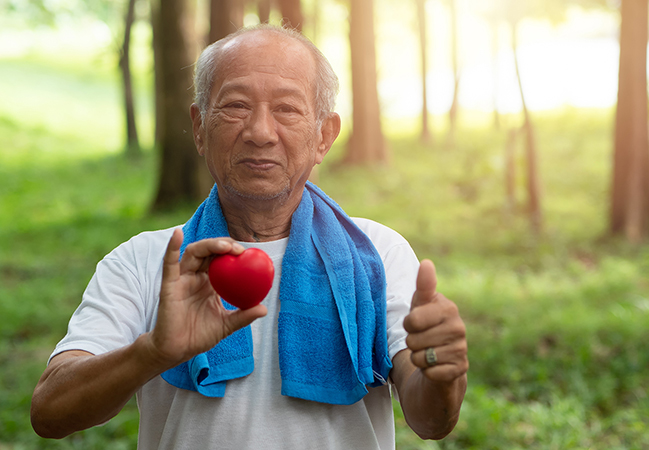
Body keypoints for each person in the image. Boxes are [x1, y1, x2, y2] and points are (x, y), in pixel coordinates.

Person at [30, 24, 468, 449]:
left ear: (324, 136)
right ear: (200, 128)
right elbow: (50, 412)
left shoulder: (377, 254)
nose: (260, 132)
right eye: (236, 106)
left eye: (287, 109)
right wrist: (153, 352)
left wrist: (440, 372)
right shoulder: (147, 261)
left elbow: (430, 420)